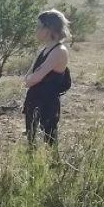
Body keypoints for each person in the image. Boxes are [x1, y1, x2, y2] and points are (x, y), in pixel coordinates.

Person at [23, 9, 71, 145]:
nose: (36, 30)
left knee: (49, 140)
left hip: (47, 103)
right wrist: (30, 79)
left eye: (39, 27)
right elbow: (29, 77)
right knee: (31, 140)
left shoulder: (59, 51)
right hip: (34, 100)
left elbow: (34, 77)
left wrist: (31, 79)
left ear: (49, 28)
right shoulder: (44, 50)